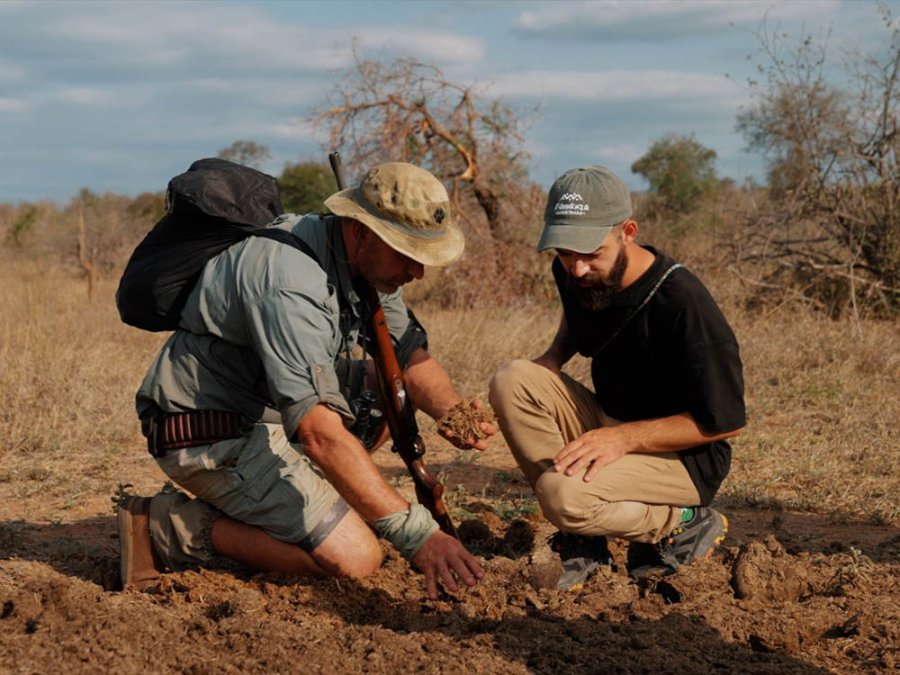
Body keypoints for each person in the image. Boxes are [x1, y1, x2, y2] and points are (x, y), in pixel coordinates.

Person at [118, 162, 495, 600]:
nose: (418, 273)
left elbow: (407, 353)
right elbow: (319, 433)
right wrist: (418, 535)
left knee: (381, 385)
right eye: (408, 254)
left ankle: (321, 500)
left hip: (268, 409)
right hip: (213, 433)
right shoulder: (291, 283)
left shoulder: (367, 265)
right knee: (356, 559)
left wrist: (453, 412)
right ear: (362, 231)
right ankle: (166, 528)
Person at [489, 165, 745, 589]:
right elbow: (582, 314)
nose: (577, 269)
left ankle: (680, 521)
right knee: (512, 378)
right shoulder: (575, 270)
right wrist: (552, 358)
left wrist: (623, 439)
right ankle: (585, 541)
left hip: (682, 458)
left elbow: (725, 422)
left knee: (560, 495)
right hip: (609, 424)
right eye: (565, 253)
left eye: (591, 252)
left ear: (628, 230)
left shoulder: (683, 304)